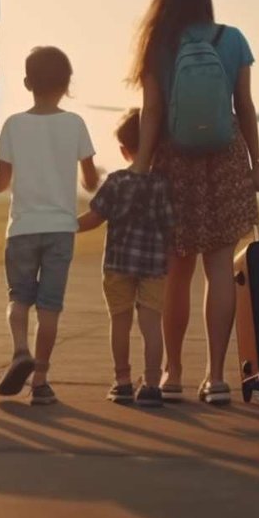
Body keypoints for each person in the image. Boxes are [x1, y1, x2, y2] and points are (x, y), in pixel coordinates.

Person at [126, 0, 259, 405]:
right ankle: (218, 376)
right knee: (220, 269)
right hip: (225, 159)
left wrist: (141, 168)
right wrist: (256, 165)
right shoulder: (233, 40)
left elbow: (150, 113)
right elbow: (244, 106)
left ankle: (172, 373)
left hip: (174, 161)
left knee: (176, 273)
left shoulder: (158, 46)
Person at [0, 46, 100, 405]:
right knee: (49, 308)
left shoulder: (13, 125)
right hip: (62, 229)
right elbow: (90, 182)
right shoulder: (75, 124)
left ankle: (19, 351)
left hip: (22, 229)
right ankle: (41, 381)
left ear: (28, 82)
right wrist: (88, 175)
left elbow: (0, 184)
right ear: (67, 85)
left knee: (18, 300)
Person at [78, 108, 172, 408]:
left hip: (118, 265)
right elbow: (171, 227)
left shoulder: (116, 182)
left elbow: (94, 218)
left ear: (124, 149)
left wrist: (65, 224)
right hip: (153, 267)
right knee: (151, 325)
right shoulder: (162, 185)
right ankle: (153, 384)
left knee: (120, 322)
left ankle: (122, 382)